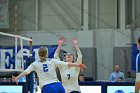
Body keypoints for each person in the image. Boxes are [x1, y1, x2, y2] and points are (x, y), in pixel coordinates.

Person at [12, 46, 86, 93]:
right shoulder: (52, 61)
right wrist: (78, 65)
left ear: (38, 54)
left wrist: (17, 77)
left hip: (47, 87)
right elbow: (66, 64)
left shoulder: (35, 64)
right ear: (47, 54)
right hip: (59, 86)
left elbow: (26, 72)